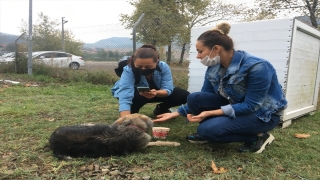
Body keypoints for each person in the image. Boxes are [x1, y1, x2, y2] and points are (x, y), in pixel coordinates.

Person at [153, 22, 288, 154]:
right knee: (194, 98)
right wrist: (176, 113)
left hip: (262, 114)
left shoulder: (257, 67)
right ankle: (215, 129)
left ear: (216, 49)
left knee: (207, 131)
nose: (198, 56)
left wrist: (210, 113)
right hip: (235, 105)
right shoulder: (214, 65)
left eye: (200, 51)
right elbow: (204, 96)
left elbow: (251, 105)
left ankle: (257, 137)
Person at [112, 44, 190, 117]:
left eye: (148, 66)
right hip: (136, 95)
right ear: (133, 62)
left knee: (183, 95)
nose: (143, 69)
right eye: (139, 66)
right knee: (132, 111)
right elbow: (125, 95)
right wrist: (127, 119)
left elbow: (168, 89)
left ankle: (161, 109)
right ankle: (133, 113)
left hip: (157, 93)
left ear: (156, 62)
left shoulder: (163, 67)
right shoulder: (129, 69)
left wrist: (156, 93)